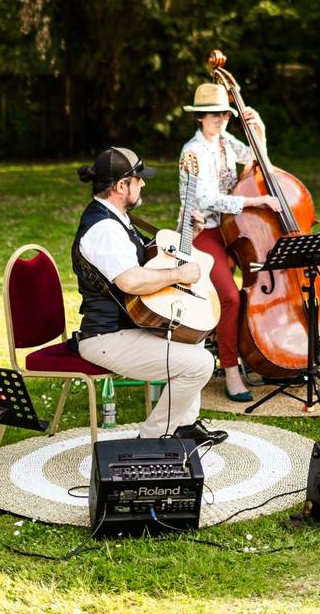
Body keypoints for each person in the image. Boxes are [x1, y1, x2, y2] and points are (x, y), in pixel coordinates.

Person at [72, 147, 227, 444]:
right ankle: (152, 439)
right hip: (106, 337)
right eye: (138, 179)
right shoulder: (104, 228)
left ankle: (184, 425)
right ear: (121, 186)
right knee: (201, 363)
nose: (143, 184)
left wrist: (186, 234)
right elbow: (130, 280)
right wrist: (178, 275)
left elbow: (150, 257)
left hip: (127, 329)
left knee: (194, 337)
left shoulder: (115, 218)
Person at [178, 83, 282, 402]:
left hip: (231, 230)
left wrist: (260, 130)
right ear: (199, 117)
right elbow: (207, 199)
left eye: (223, 113)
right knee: (230, 298)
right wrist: (257, 202)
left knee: (251, 293)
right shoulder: (192, 151)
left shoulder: (225, 142)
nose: (219, 118)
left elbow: (255, 160)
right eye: (212, 114)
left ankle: (253, 355)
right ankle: (231, 370)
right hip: (204, 231)